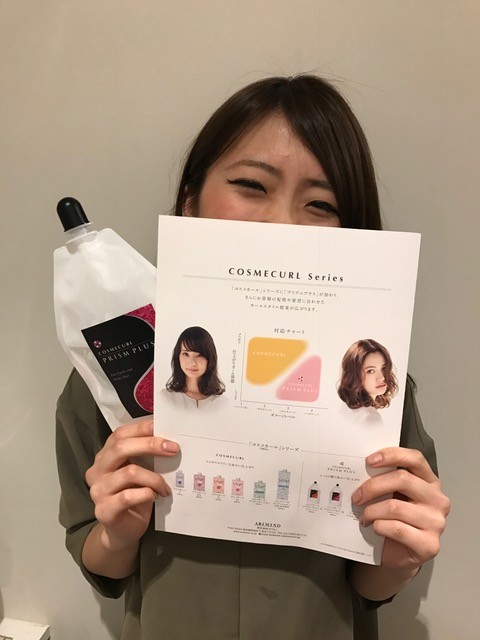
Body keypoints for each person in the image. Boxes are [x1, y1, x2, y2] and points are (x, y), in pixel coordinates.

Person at [56, 75, 450, 640]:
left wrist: (400, 557)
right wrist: (116, 534)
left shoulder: (370, 384)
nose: (283, 225)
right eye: (251, 185)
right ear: (190, 203)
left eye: (321, 204)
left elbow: (368, 587)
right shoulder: (120, 370)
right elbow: (98, 559)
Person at [161, 326, 226, 411]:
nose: (192, 363)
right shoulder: (164, 398)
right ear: (178, 356)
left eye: (200, 355)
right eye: (186, 354)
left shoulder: (223, 403)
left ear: (210, 358)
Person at [338, 339, 398, 410]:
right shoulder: (369, 415)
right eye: (371, 371)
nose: (382, 378)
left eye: (383, 368)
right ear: (354, 375)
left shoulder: (346, 408)